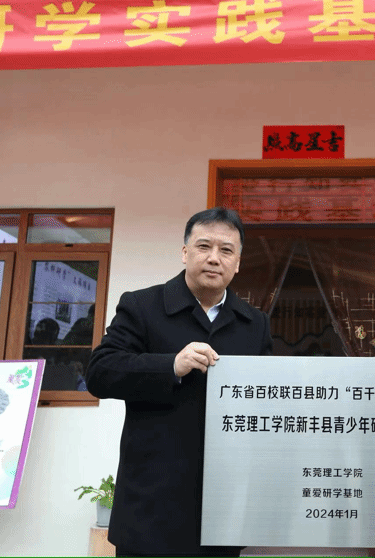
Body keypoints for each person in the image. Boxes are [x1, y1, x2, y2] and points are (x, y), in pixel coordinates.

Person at [86, 207, 272, 557]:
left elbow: (265, 403)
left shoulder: (255, 324)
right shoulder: (142, 306)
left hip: (221, 508)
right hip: (151, 505)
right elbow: (100, 372)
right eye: (204, 246)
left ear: (238, 263)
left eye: (226, 250)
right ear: (185, 252)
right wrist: (170, 365)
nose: (214, 258)